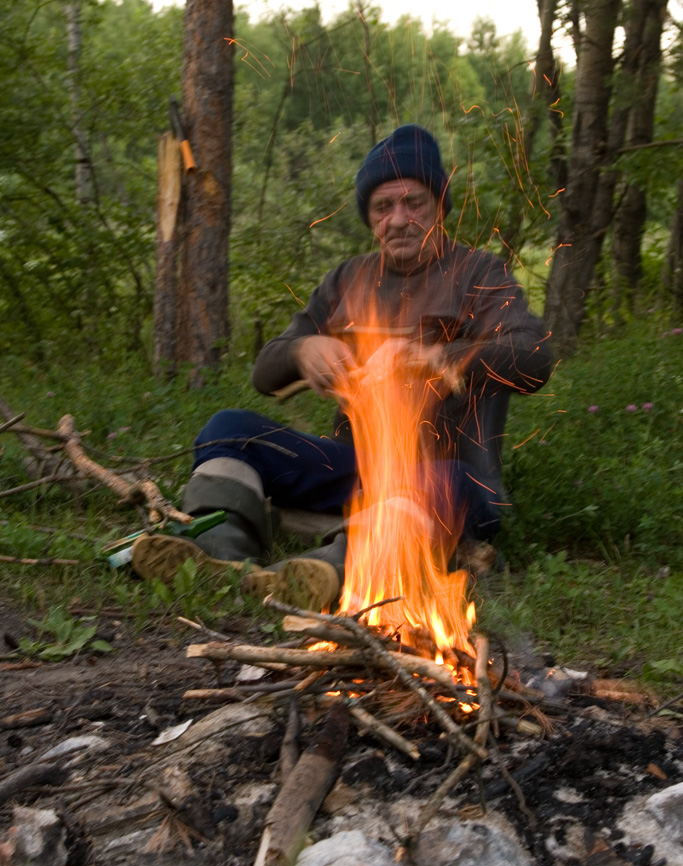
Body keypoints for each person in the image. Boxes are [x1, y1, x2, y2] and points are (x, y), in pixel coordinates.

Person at [132, 125, 553, 608]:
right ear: (370, 218)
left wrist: (436, 358)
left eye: (413, 202)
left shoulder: (480, 273)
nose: (399, 219)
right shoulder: (347, 279)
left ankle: (330, 569)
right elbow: (265, 374)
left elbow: (535, 355)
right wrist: (302, 350)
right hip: (353, 469)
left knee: (446, 483)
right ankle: (220, 557)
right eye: (382, 207)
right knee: (227, 431)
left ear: (439, 206)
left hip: (447, 477)